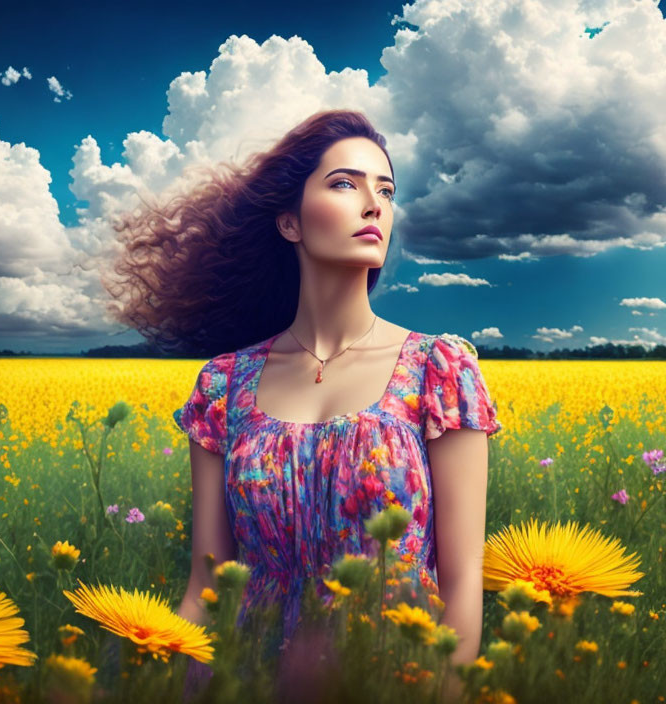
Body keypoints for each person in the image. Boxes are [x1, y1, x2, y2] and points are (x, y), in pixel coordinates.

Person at [103, 109, 502, 702]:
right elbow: (206, 587)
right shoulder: (223, 386)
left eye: (386, 191)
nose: (374, 205)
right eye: (345, 184)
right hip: (247, 681)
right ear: (289, 222)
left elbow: (464, 582)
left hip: (391, 680)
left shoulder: (438, 371)